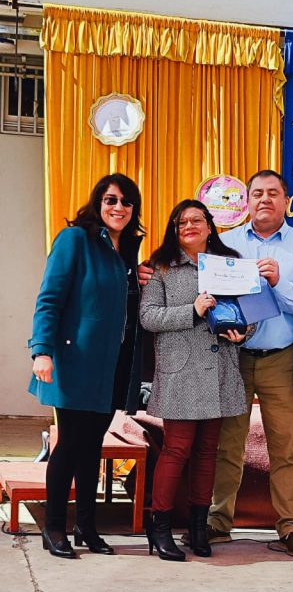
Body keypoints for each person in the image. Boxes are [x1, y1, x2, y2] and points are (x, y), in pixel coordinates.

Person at [29, 174, 144, 559]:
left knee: (92, 446)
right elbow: (50, 298)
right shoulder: (75, 239)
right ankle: (54, 527)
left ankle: (86, 527)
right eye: (111, 200)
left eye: (126, 202)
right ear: (98, 203)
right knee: (70, 445)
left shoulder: (127, 250)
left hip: (112, 366)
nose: (119, 207)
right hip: (74, 361)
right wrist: (41, 350)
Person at [207, 170, 293, 557]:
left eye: (273, 193)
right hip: (233, 357)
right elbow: (211, 297)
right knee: (227, 445)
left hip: (281, 359)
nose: (265, 200)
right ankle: (217, 521)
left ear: (286, 201)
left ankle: (291, 527)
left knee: (285, 448)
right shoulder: (225, 242)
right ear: (247, 201)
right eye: (257, 193)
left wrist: (278, 283)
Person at [139, 199, 249, 562]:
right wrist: (193, 310)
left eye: (196, 220)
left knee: (207, 452)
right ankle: (160, 527)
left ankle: (199, 528)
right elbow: (148, 317)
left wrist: (244, 331)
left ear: (209, 225)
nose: (189, 226)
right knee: (176, 449)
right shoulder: (161, 267)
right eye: (181, 222)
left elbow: (249, 309)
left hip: (220, 369)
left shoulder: (229, 262)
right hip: (181, 371)